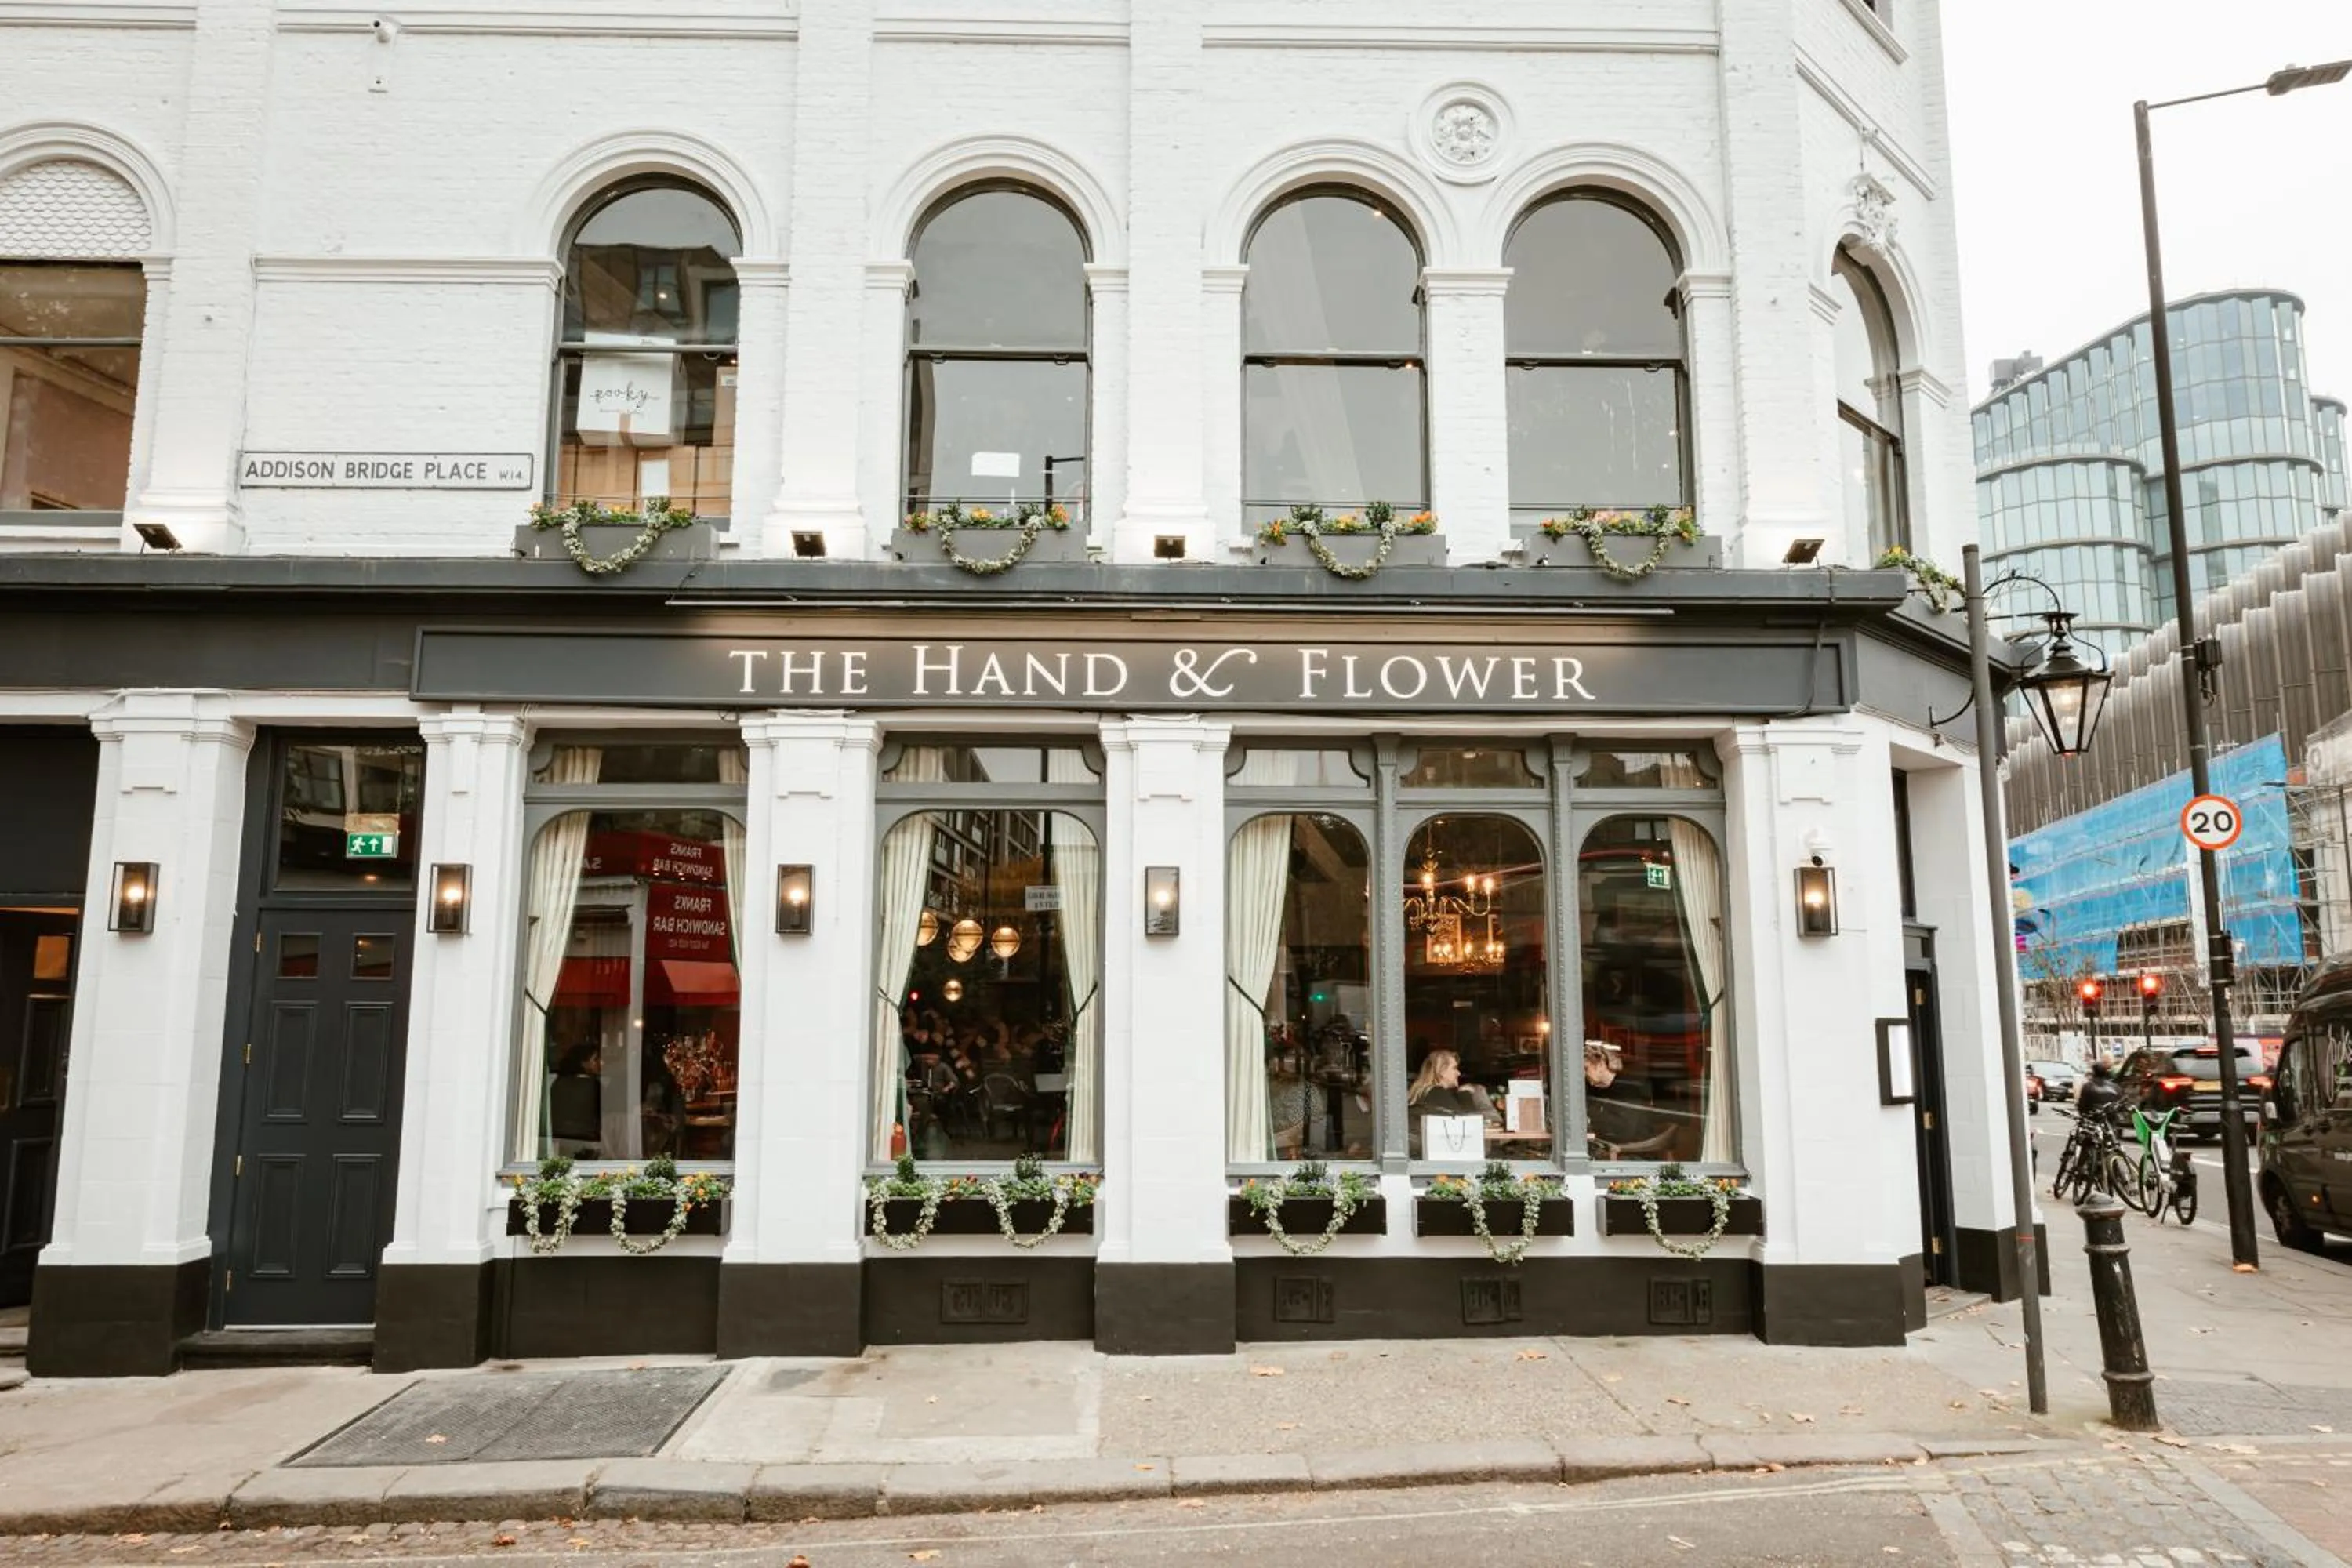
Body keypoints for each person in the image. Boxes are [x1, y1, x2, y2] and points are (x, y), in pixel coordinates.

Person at [1406, 1047, 1498, 1157]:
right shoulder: (1437, 1093)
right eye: (1454, 1068)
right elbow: (1470, 1126)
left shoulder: (1421, 1092)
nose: (1458, 1073)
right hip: (1446, 1156)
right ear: (1442, 1072)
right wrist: (1465, 1094)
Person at [2074, 1059, 2124, 1123]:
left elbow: (2082, 1106)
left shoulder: (2088, 1086)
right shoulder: (2115, 1087)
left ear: (2094, 1072)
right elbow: (2121, 1104)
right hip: (2111, 1121)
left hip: (2093, 1120)